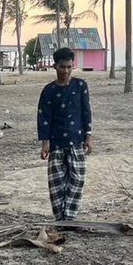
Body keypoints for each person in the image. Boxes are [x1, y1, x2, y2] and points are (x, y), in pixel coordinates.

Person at [37, 47, 92, 221]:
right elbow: (44, 117)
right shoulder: (49, 90)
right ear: (55, 66)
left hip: (77, 140)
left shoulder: (81, 86)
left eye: (69, 67)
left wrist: (88, 137)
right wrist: (45, 143)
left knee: (77, 180)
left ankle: (69, 217)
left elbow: (86, 112)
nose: (66, 71)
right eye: (62, 67)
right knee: (56, 183)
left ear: (73, 66)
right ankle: (60, 219)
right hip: (56, 143)